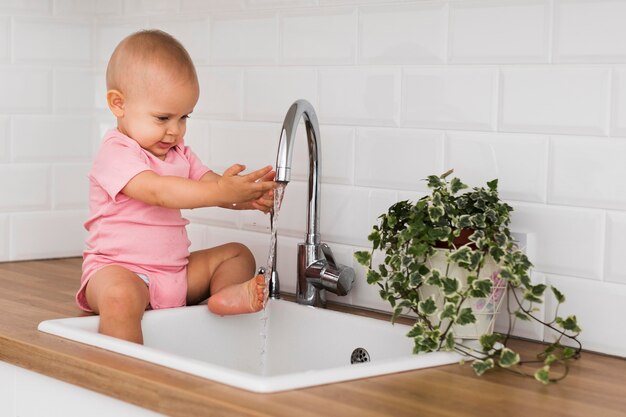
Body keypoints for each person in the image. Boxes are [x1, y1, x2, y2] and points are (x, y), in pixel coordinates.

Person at [75, 29, 276, 344]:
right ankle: (131, 377)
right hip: (119, 270)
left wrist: (243, 195)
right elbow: (159, 192)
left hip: (175, 274)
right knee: (119, 298)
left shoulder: (178, 151)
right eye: (163, 118)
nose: (175, 131)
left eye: (184, 117)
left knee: (238, 255)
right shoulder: (115, 152)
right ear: (119, 104)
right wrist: (223, 192)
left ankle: (224, 298)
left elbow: (208, 183)